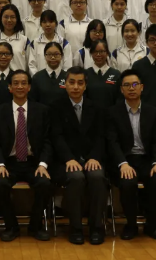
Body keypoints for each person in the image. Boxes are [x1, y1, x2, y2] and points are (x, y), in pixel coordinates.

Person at [0, 70, 53, 242]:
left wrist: (43, 164)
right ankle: (11, 227)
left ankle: (35, 226)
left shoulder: (42, 111)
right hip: (8, 162)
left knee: (45, 183)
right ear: (9, 87)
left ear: (29, 87)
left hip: (34, 162)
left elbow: (47, 141)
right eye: (15, 83)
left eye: (23, 83)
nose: (20, 86)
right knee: (0, 184)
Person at [106, 69, 156, 241]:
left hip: (147, 160)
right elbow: (112, 142)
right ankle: (131, 225)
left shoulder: (152, 112)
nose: (131, 88)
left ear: (142, 87)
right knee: (128, 183)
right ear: (121, 89)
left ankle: (151, 225)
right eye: (127, 85)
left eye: (135, 84)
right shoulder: (113, 112)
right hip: (125, 160)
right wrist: (122, 163)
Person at [51, 66, 108, 245]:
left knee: (97, 176)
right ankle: (75, 228)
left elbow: (101, 136)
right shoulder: (55, 107)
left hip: (91, 158)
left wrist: (94, 157)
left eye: (80, 83)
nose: (75, 86)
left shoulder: (96, 107)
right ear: (65, 84)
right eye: (72, 82)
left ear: (85, 85)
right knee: (76, 178)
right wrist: (69, 158)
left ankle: (96, 227)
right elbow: (56, 137)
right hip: (65, 161)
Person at [0, 4, 30, 72]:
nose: (9, 20)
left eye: (12, 17)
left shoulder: (25, 40)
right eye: (6, 17)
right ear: (1, 18)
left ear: (17, 19)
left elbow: (28, 65)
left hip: (18, 78)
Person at [29, 10, 72, 75]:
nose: (48, 25)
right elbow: (32, 65)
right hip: (40, 79)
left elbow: (67, 66)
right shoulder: (35, 43)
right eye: (44, 22)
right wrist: (38, 78)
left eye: (51, 22)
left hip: (60, 79)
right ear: (40, 24)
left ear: (56, 23)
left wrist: (61, 78)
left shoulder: (64, 43)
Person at [85, 40, 122, 109]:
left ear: (107, 53)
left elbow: (119, 98)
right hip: (90, 114)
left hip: (111, 114)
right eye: (95, 52)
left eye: (102, 51)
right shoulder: (85, 74)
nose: (98, 55)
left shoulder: (116, 74)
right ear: (91, 53)